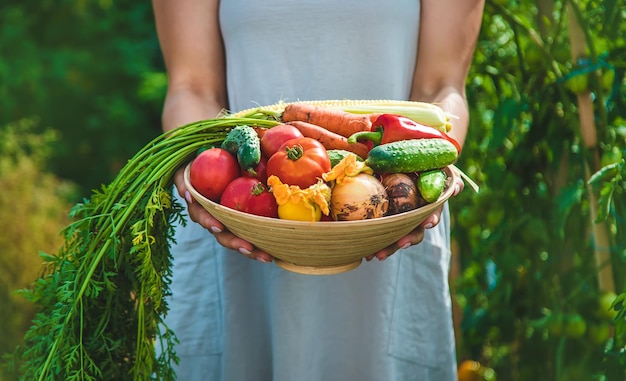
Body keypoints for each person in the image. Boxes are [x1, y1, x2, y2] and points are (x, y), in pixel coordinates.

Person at [152, 1, 484, 380]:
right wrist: (204, 174)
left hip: (391, 208)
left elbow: (442, 88)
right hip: (243, 207)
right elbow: (190, 86)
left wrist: (428, 177)